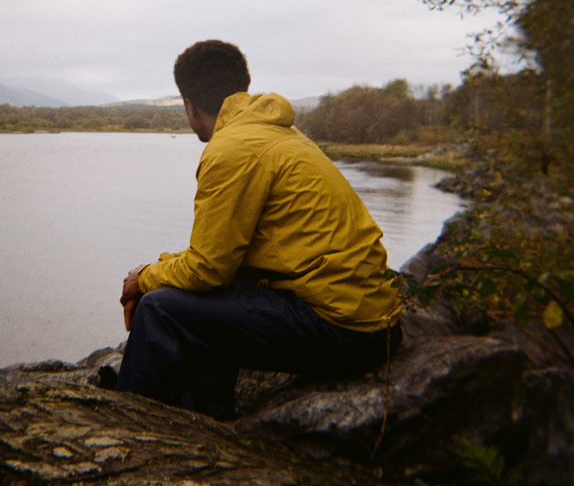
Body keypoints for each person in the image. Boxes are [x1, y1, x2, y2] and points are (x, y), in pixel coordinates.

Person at [115, 39, 401, 420]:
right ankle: (206, 421)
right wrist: (160, 270)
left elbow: (208, 269)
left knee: (160, 309)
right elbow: (222, 260)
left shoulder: (231, 149)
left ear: (189, 105)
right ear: (241, 87)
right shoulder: (279, 133)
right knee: (199, 300)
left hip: (346, 331)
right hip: (372, 323)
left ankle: (131, 426)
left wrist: (145, 280)